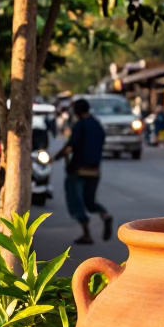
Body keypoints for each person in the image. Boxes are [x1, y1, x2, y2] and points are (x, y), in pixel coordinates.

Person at [53, 98, 113, 245]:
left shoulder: (79, 126)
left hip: (78, 170)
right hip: (94, 170)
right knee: (90, 202)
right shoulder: (97, 125)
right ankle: (104, 215)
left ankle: (87, 233)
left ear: (77, 111)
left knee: (75, 201)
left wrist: (57, 157)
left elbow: (70, 147)